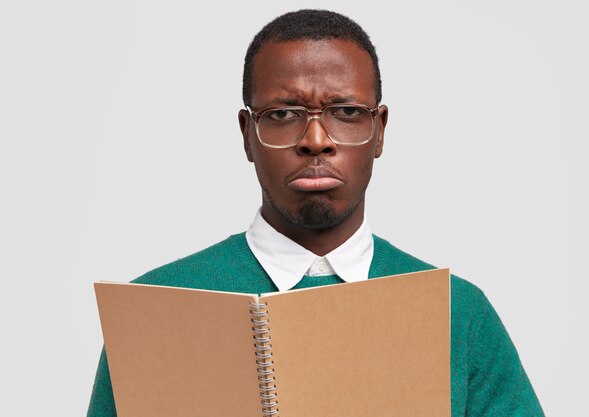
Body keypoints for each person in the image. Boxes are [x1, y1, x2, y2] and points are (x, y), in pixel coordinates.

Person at [87, 9, 544, 417]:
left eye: (345, 110)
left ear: (379, 131)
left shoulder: (457, 311)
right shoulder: (155, 305)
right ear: (248, 134)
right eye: (283, 113)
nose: (316, 139)